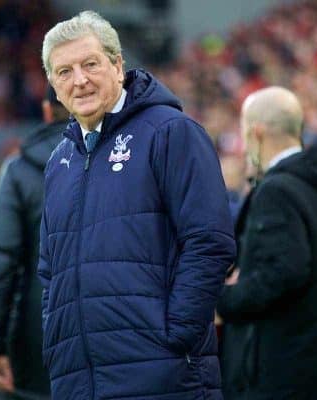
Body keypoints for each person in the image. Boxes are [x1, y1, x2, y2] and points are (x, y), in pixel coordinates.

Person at [38, 11, 236, 400]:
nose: (79, 80)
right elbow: (50, 271)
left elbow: (210, 242)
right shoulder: (59, 162)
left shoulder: (171, 132)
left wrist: (175, 334)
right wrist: (57, 340)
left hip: (163, 376)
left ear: (117, 65)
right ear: (53, 85)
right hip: (79, 381)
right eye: (64, 72)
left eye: (90, 64)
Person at [217, 87, 317, 399]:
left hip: (282, 367)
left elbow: (284, 270)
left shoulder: (276, 192)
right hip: (316, 362)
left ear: (256, 133)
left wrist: (226, 298)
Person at [0, 86, 68, 400]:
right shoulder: (118, 158)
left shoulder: (18, 171)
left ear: (46, 111)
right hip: (113, 331)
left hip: (37, 332)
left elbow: (1, 263)